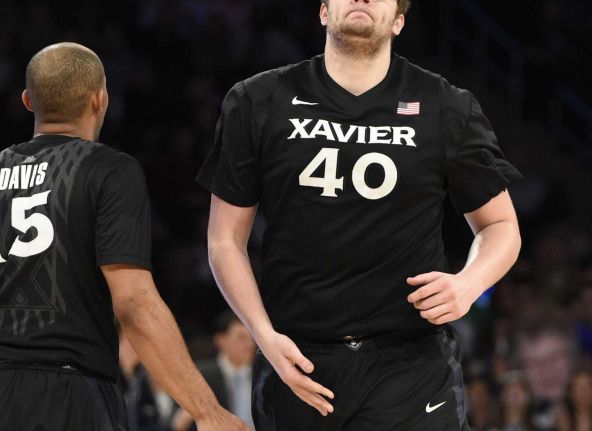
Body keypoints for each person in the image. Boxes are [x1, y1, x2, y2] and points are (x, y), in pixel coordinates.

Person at [196, 0, 522, 429]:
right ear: (324, 11)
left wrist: (468, 283)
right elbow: (224, 240)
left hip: (411, 362)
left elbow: (501, 226)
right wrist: (264, 337)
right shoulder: (258, 100)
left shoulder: (444, 105)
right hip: (299, 359)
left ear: (400, 21)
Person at [0, 42, 249, 431]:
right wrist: (207, 411)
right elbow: (134, 305)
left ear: (27, 100)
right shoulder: (109, 171)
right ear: (99, 99)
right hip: (76, 396)